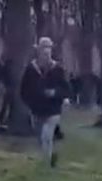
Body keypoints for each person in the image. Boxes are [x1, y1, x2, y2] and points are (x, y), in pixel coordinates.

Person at [20, 37, 69, 167]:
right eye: (43, 50)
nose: (46, 53)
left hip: (53, 109)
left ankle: (46, 164)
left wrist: (55, 93)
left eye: (48, 50)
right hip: (37, 109)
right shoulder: (31, 69)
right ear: (38, 51)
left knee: (46, 135)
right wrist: (30, 102)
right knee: (41, 137)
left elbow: (67, 89)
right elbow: (23, 90)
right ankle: (50, 156)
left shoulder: (58, 69)